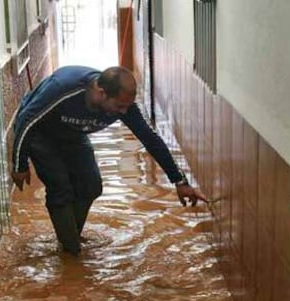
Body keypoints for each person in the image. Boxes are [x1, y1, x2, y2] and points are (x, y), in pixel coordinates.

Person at [11, 65, 208, 255]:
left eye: (127, 106)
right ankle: (71, 252)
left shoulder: (124, 107)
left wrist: (180, 181)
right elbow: (26, 120)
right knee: (60, 187)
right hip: (39, 134)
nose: (123, 112)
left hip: (73, 133)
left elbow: (150, 139)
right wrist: (19, 164)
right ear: (100, 92)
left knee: (91, 185)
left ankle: (69, 238)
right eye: (119, 106)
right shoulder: (64, 88)